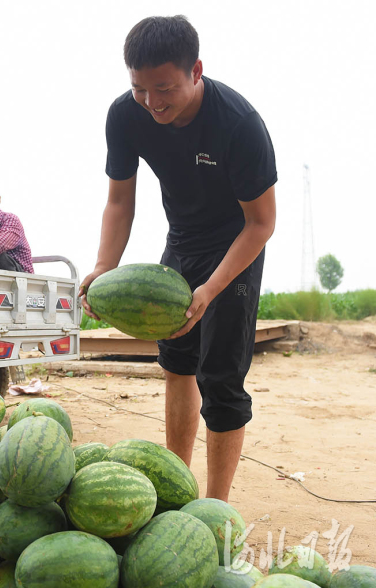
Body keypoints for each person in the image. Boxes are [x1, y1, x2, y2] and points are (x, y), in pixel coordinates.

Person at [80, 16, 277, 502]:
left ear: (196, 72)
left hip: (235, 246)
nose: (152, 102)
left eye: (164, 88)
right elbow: (120, 201)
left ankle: (215, 509)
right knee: (177, 364)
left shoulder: (239, 125)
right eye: (140, 89)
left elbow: (261, 224)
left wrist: (211, 289)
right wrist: (105, 267)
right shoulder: (125, 115)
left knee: (222, 380)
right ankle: (176, 489)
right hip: (182, 241)